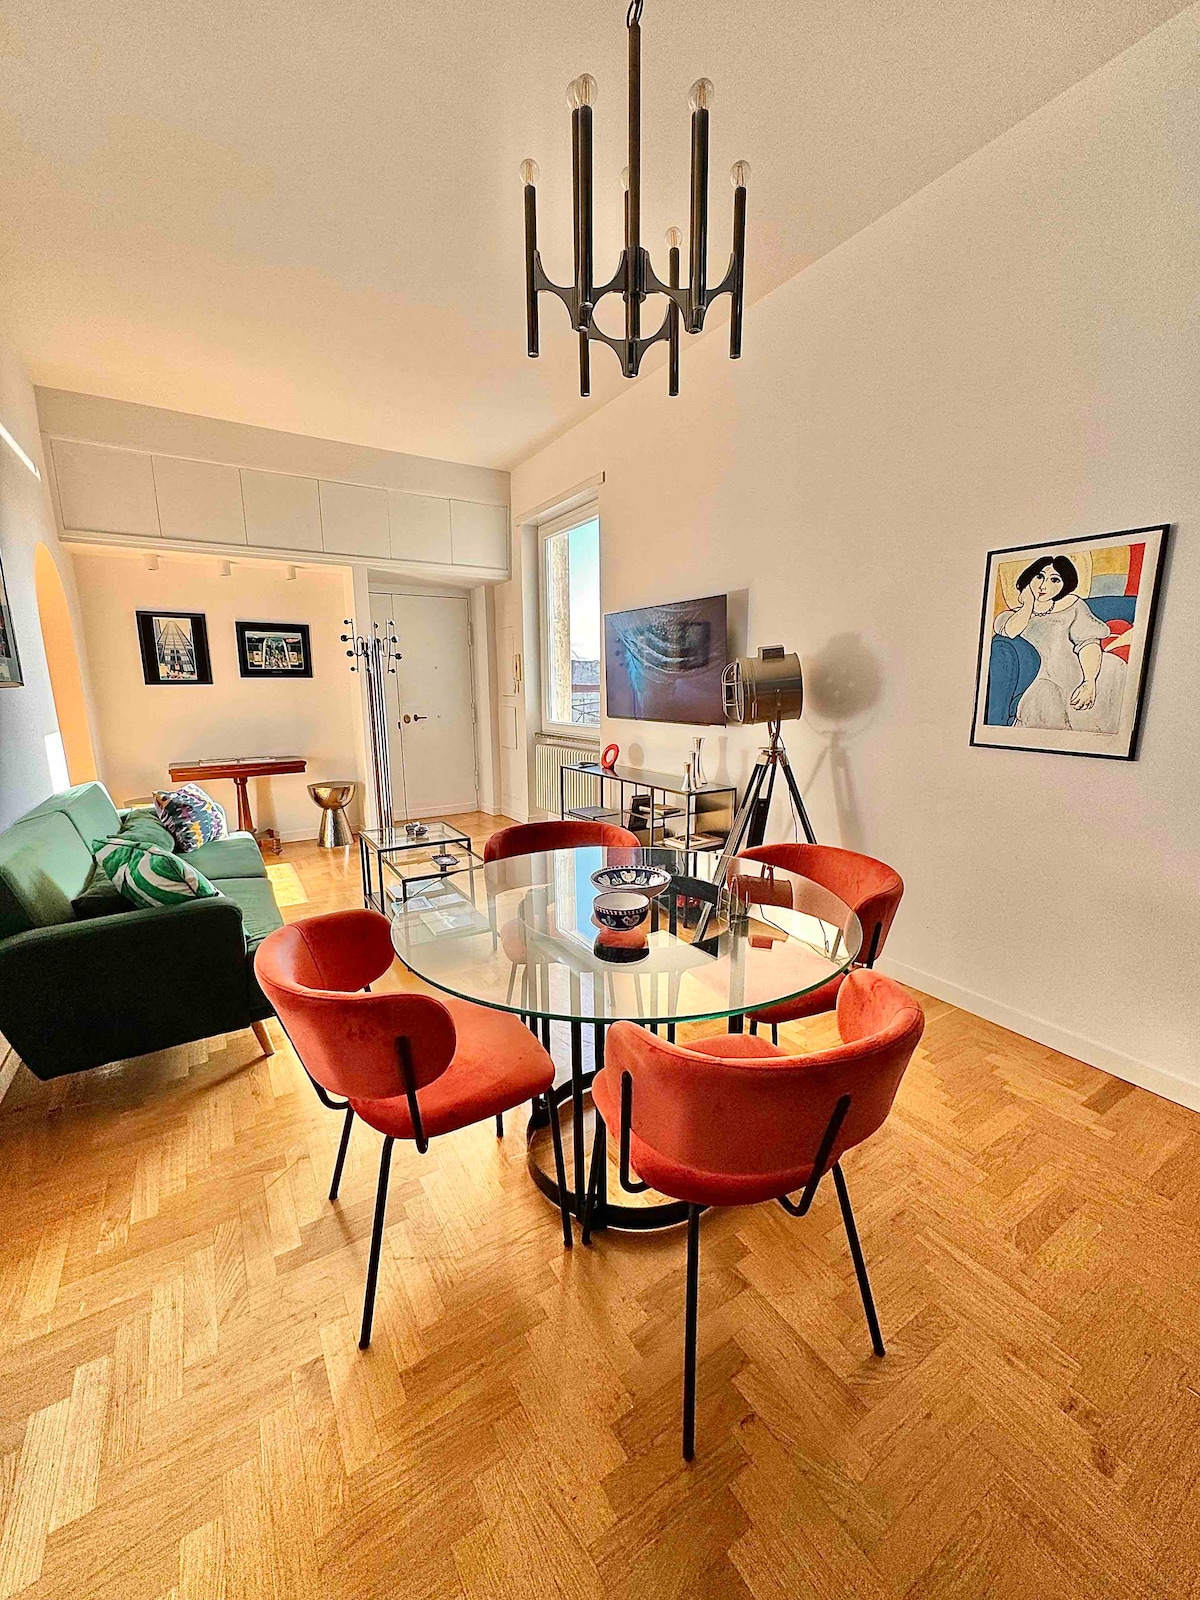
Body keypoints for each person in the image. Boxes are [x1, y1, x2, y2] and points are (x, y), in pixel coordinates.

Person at [993, 555, 1125, 733]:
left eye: (1054, 580)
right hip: (1041, 683)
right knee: (1046, 704)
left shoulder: (1074, 606)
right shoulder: (1008, 617)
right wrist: (1028, 604)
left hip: (1078, 674)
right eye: (1039, 576)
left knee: (1115, 671)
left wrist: (1089, 682)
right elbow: (1011, 631)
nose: (1043, 586)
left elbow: (1089, 643)